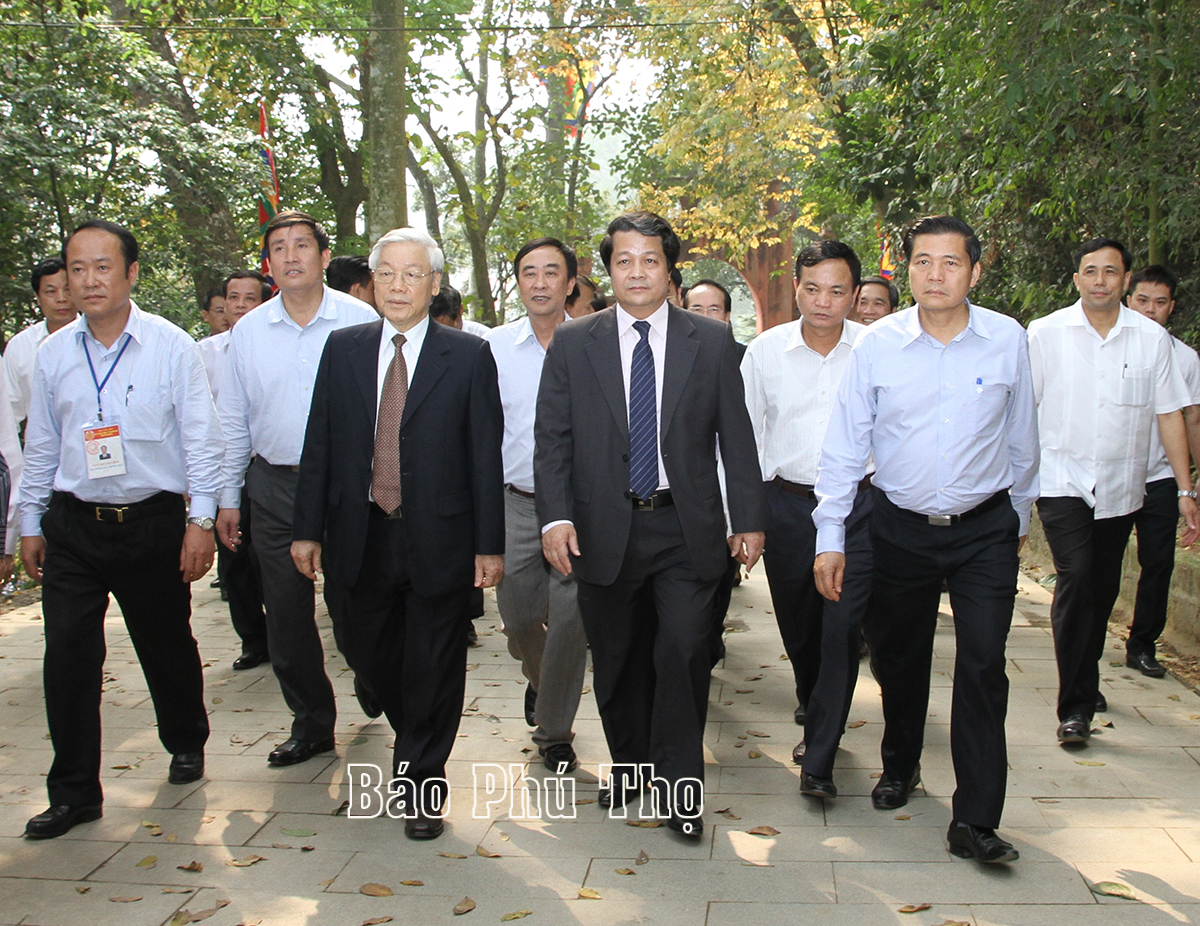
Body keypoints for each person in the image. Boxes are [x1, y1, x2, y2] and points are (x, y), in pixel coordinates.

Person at [814, 215, 1038, 864]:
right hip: (898, 528)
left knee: (981, 666)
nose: (934, 275)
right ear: (907, 268)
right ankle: (901, 763)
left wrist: (1017, 520)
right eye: (922, 262)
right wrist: (831, 536)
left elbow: (1023, 439)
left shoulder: (1007, 340)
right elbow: (846, 445)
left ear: (974, 270)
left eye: (949, 263)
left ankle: (974, 819)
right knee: (900, 657)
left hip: (984, 531)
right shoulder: (878, 345)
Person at [535, 211, 767, 838]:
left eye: (651, 260)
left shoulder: (712, 342)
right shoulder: (575, 342)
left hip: (684, 528)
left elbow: (735, 438)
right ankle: (632, 768)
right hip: (602, 529)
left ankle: (680, 786)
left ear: (670, 270)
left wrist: (748, 517)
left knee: (686, 650)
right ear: (608, 270)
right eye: (624, 260)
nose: (637, 271)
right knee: (617, 658)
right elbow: (552, 440)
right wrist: (554, 517)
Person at [292, 227, 504, 840]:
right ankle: (411, 719)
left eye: (413, 274)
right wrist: (307, 529)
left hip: (439, 535)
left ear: (433, 285)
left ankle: (421, 783)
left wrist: (488, 544)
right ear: (372, 281)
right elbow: (320, 443)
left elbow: (482, 454)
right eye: (388, 273)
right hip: (361, 532)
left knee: (435, 663)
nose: (399, 285)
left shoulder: (465, 356)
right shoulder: (344, 348)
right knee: (367, 649)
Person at [18, 219, 221, 839]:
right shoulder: (51, 354)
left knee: (165, 642)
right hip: (75, 526)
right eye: (77, 269)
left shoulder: (169, 346)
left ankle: (185, 738)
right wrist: (30, 523)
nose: (88, 280)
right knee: (70, 656)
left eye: (102, 267)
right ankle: (75, 790)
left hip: (151, 523)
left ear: (131, 273)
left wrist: (201, 520)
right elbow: (43, 445)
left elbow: (200, 440)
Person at [216, 210, 378, 767]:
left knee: (355, 603)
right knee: (285, 612)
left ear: (324, 257)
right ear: (269, 264)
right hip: (276, 485)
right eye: (279, 247)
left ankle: (373, 674)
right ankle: (311, 721)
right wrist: (228, 498)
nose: (290, 256)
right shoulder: (249, 332)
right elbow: (234, 419)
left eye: (302, 245)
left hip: (349, 487)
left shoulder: (361, 320)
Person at [1029, 240, 1199, 746]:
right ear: (1076, 278)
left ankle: (1083, 676)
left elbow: (1169, 415)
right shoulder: (1045, 334)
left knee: (1100, 588)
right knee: (1077, 576)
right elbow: (1022, 409)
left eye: (1110, 272)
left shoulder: (1152, 341)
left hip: (1122, 487)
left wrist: (1186, 489)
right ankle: (1075, 706)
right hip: (1062, 480)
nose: (1100, 280)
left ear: (1125, 280)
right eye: (1090, 271)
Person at [742, 241, 871, 789]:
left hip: (859, 508)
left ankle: (820, 754)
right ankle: (811, 700)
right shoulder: (764, 353)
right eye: (812, 288)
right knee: (800, 625)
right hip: (788, 506)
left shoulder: (875, 349)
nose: (824, 301)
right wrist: (745, 518)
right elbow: (744, 439)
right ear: (796, 288)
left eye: (837, 290)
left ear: (856, 295)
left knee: (841, 629)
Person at [487, 237, 589, 773]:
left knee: (571, 623)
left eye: (553, 272)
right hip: (516, 504)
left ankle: (554, 731)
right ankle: (541, 680)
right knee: (520, 616)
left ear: (570, 283)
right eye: (530, 272)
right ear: (518, 283)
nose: (541, 282)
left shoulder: (596, 343)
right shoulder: (493, 348)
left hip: (580, 509)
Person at [1125, 265, 1200, 677]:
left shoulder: (1185, 359)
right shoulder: (1106, 347)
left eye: (1159, 303)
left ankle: (1141, 645)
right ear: (1127, 298)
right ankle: (1085, 648)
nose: (1149, 310)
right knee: (1094, 568)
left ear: (1171, 308)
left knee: (1158, 563)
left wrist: (1191, 485)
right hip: (1111, 476)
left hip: (1160, 478)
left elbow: (1191, 419)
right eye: (1142, 300)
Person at [199, 270, 273, 666]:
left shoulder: (273, 347)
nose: (240, 305)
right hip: (226, 473)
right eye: (233, 297)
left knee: (271, 562)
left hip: (268, 469)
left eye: (250, 298)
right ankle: (253, 640)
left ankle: (284, 635)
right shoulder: (203, 353)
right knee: (235, 562)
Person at [684, 278, 743, 664]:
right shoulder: (666, 355)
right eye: (696, 310)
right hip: (685, 500)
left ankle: (709, 639)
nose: (706, 318)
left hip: (726, 497)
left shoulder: (743, 359)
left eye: (714, 310)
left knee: (717, 582)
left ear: (727, 316)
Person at [5, 258, 78, 432]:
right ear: (37, 298)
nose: (61, 299)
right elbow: (8, 415)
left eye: (68, 289)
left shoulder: (101, 337)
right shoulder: (20, 347)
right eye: (51, 292)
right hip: (41, 451)